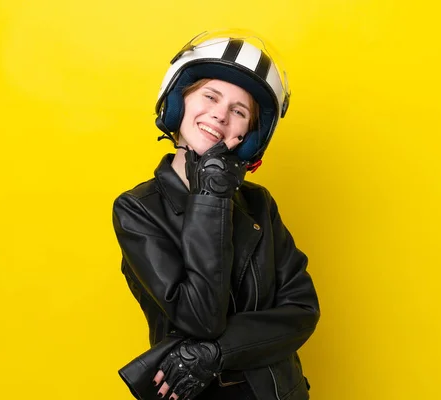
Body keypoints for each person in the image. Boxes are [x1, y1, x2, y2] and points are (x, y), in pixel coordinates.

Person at [113, 30, 320, 400]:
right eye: (210, 96)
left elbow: (302, 311)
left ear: (249, 135)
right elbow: (201, 316)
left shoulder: (259, 204)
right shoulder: (136, 209)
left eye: (239, 111)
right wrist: (211, 195)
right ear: (178, 103)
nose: (220, 115)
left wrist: (217, 351)